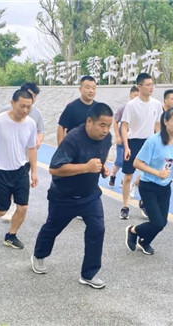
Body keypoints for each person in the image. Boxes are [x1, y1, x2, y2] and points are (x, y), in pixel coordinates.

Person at [31, 103, 113, 289]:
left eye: (108, 126)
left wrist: (103, 168)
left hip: (90, 195)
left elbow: (101, 156)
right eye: (102, 125)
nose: (105, 130)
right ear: (89, 121)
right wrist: (86, 167)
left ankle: (89, 274)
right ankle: (39, 254)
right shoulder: (73, 139)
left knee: (97, 229)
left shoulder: (107, 138)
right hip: (64, 197)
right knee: (52, 228)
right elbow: (54, 168)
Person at [0, 89, 38, 249]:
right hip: (0, 171)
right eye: (22, 106)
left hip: (21, 170)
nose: (25, 110)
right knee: (1, 209)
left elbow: (31, 148)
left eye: (28, 107)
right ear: (12, 103)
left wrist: (34, 172)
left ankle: (11, 236)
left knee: (23, 207)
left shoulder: (30, 123)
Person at [125, 106, 173, 255]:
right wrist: (157, 172)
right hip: (149, 186)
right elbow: (137, 163)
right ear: (165, 122)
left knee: (162, 223)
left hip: (165, 186)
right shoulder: (153, 141)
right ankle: (133, 230)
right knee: (157, 222)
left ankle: (144, 241)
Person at [119, 73, 162, 219]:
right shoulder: (131, 105)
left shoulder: (156, 104)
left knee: (149, 175)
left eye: (152, 84)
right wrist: (126, 146)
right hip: (133, 142)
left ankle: (144, 203)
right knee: (128, 176)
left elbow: (157, 125)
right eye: (148, 84)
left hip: (149, 142)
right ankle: (125, 206)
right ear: (139, 86)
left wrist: (161, 143)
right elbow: (124, 126)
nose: (151, 87)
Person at [0, 82, 44, 222]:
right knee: (6, 189)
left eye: (35, 96)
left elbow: (40, 130)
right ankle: (5, 207)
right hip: (6, 157)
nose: (33, 99)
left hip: (25, 157)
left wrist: (38, 141)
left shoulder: (36, 113)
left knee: (20, 186)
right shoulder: (5, 110)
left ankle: (14, 208)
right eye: (31, 95)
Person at [109, 86, 139, 188]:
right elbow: (115, 121)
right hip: (122, 139)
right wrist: (117, 136)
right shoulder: (124, 107)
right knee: (119, 160)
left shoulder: (140, 109)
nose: (137, 98)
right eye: (135, 96)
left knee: (130, 162)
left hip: (133, 140)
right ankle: (113, 176)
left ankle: (124, 180)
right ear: (130, 95)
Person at [57, 75, 97, 145]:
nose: (91, 91)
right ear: (80, 89)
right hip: (74, 147)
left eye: (93, 88)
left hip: (92, 148)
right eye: (88, 88)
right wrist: (61, 148)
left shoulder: (98, 108)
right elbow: (61, 126)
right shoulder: (71, 107)